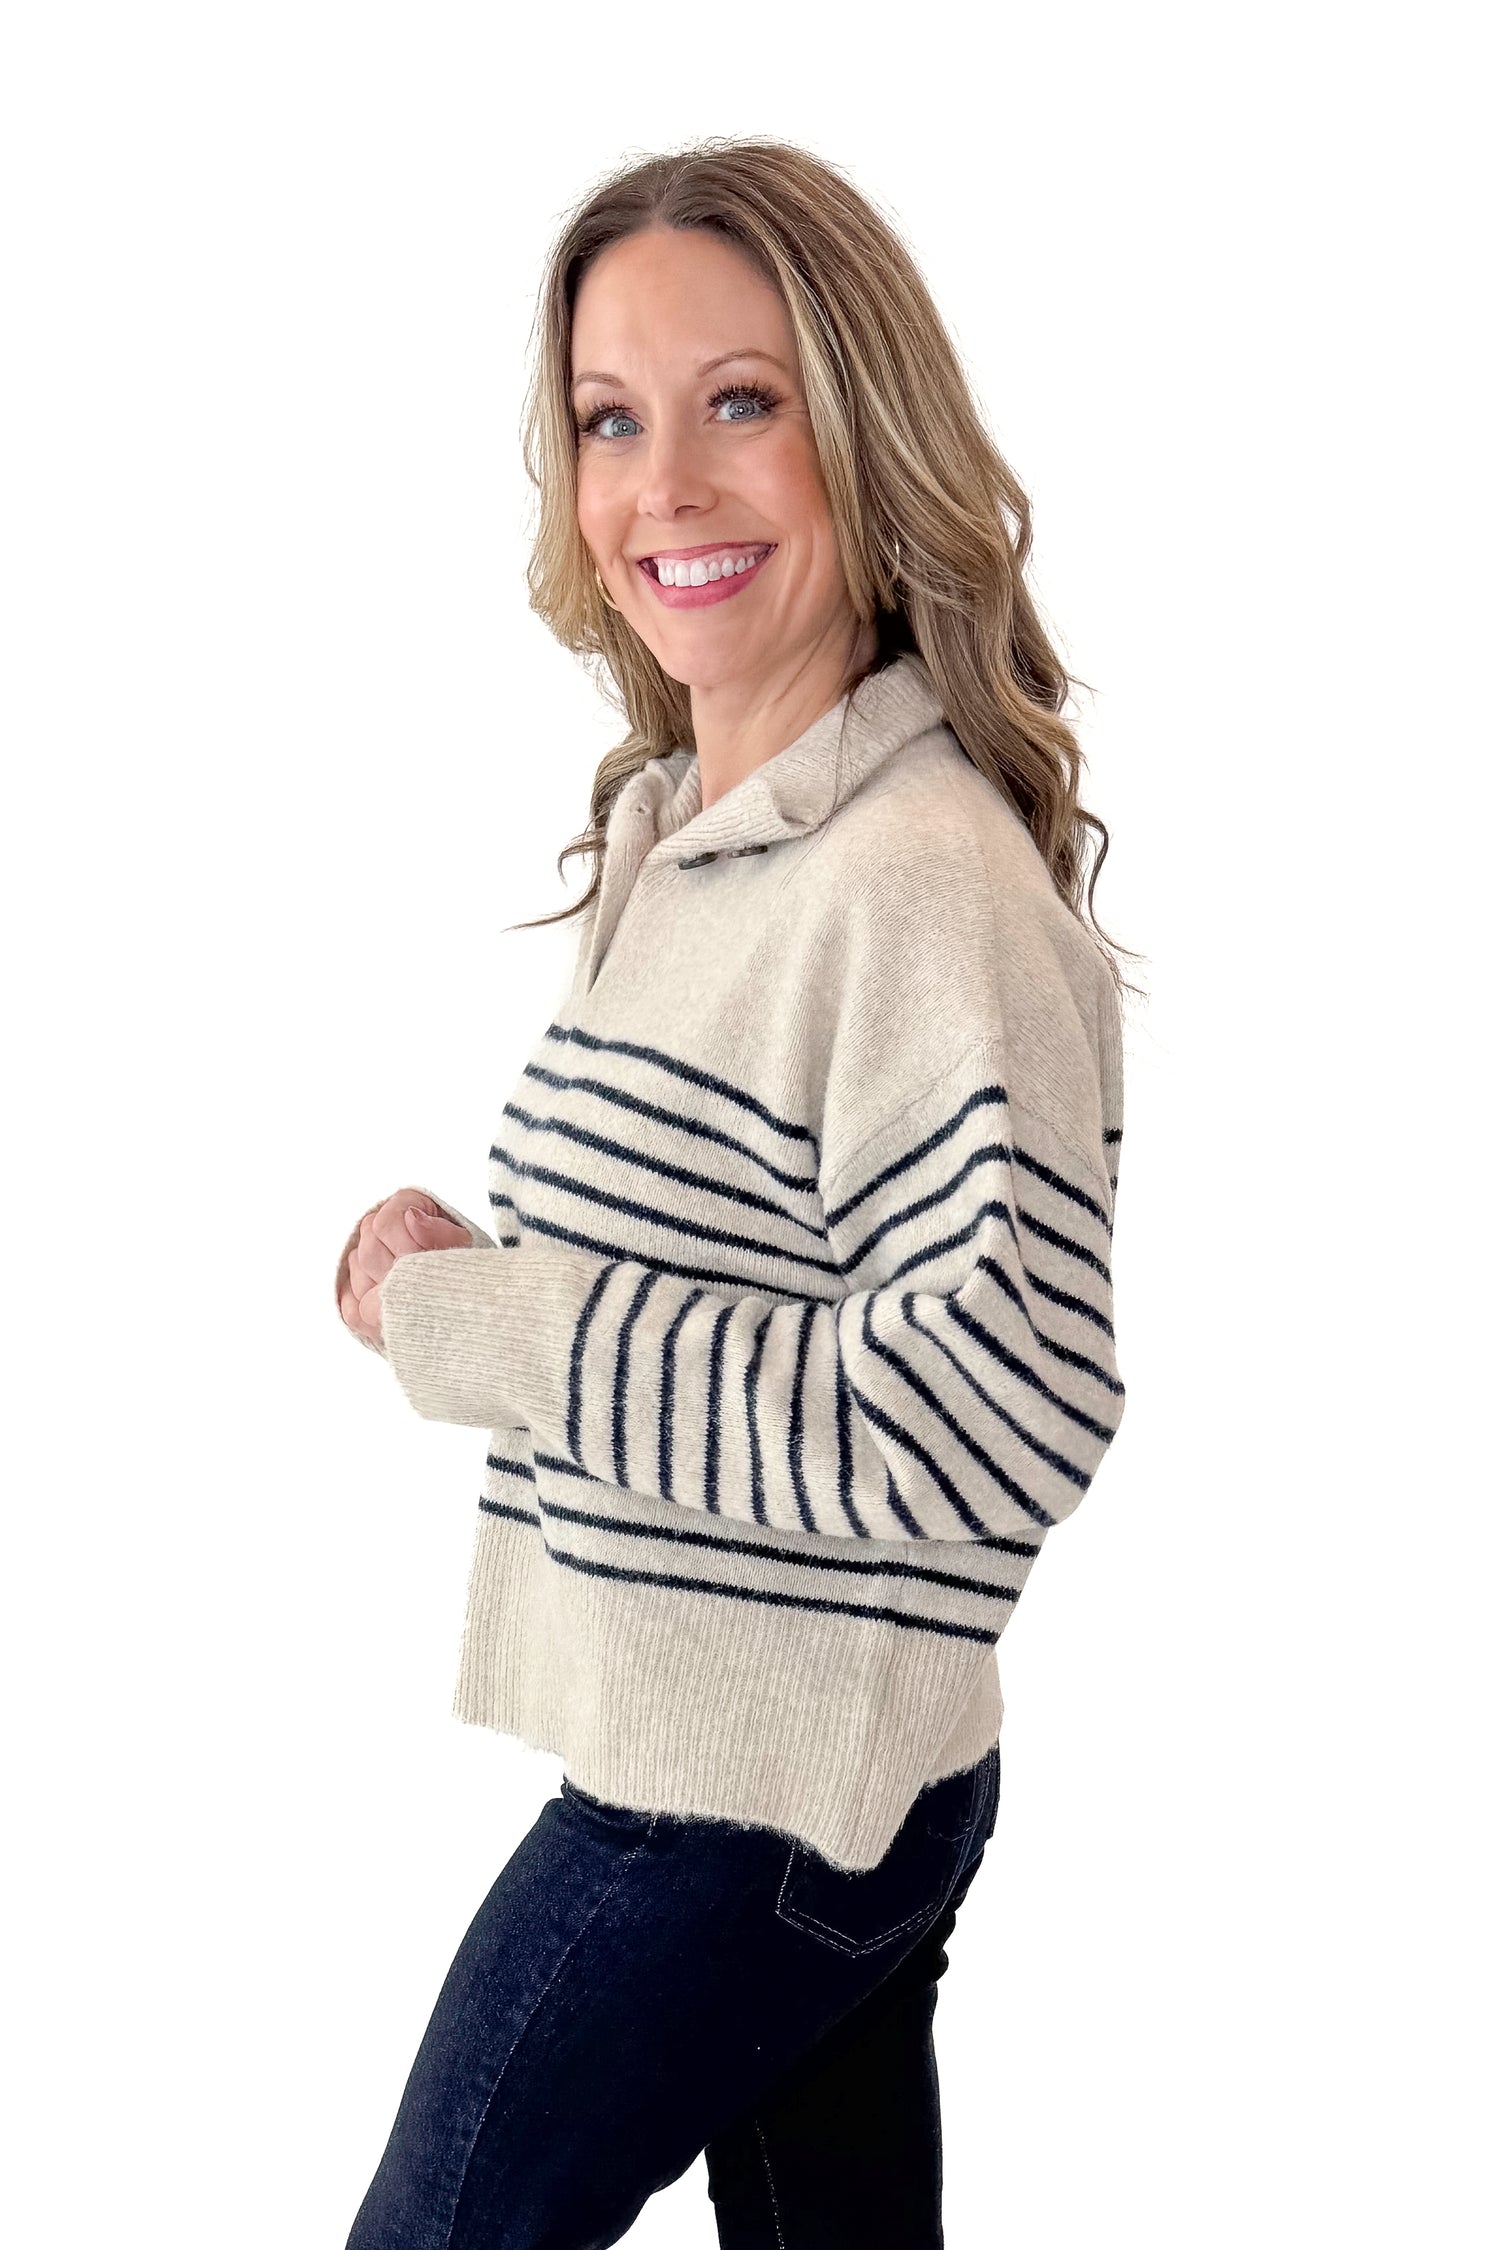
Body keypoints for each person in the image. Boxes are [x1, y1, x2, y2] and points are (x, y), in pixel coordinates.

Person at [334, 134, 1136, 2250]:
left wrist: (501, 1330)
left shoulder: (919, 879)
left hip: (744, 1808)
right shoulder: (701, 830)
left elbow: (1003, 1413)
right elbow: (747, 1268)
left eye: (741, 403)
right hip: (794, 1776)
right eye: (611, 419)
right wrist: (472, 1273)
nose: (664, 484)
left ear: (866, 435)